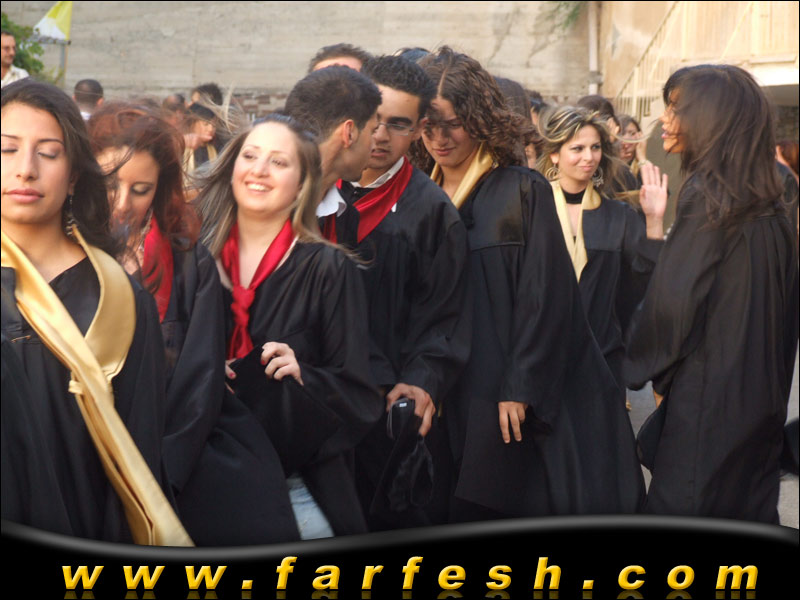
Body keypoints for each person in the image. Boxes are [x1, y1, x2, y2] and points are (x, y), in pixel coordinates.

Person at [416, 47, 644, 522]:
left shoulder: (520, 189)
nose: (439, 137)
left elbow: (545, 296)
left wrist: (519, 385)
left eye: (453, 123)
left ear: (478, 118)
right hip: (440, 386)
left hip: (501, 387)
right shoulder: (420, 194)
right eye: (428, 124)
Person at [87, 101, 299, 545]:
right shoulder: (60, 255)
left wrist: (158, 477)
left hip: (175, 451)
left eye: (140, 190)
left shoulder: (186, 259)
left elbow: (198, 379)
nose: (122, 204)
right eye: (108, 185)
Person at [1, 79, 189, 545]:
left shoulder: (117, 300)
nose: (25, 170)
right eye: (7, 149)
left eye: (48, 153)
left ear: (74, 176)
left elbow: (137, 454)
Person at [623, 64, 799, 523]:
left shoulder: (708, 196)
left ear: (712, 117)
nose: (664, 120)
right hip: (760, 398)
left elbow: (673, 302)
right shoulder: (771, 198)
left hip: (709, 399)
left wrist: (650, 370)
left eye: (676, 108)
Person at [195, 113, 383, 539]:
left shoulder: (328, 268)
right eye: (250, 156)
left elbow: (361, 396)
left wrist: (305, 378)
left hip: (297, 487)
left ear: (302, 185)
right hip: (205, 480)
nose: (259, 170)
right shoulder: (195, 260)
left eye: (278, 162)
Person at [321, 55, 471, 529]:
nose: (381, 136)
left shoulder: (431, 213)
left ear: (420, 130)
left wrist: (423, 380)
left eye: (399, 124)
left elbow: (444, 315)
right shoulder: (306, 190)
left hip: (380, 409)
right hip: (306, 396)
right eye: (374, 119)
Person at [536, 105, 665, 402]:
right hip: (542, 363)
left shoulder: (618, 215)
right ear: (554, 154)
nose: (589, 157)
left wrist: (655, 220)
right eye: (577, 148)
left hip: (601, 365)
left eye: (595, 147)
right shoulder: (531, 209)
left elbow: (645, 282)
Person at [284, 65, 381, 217]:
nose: (374, 146)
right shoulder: (265, 205)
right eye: (373, 131)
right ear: (349, 133)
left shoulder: (345, 215)